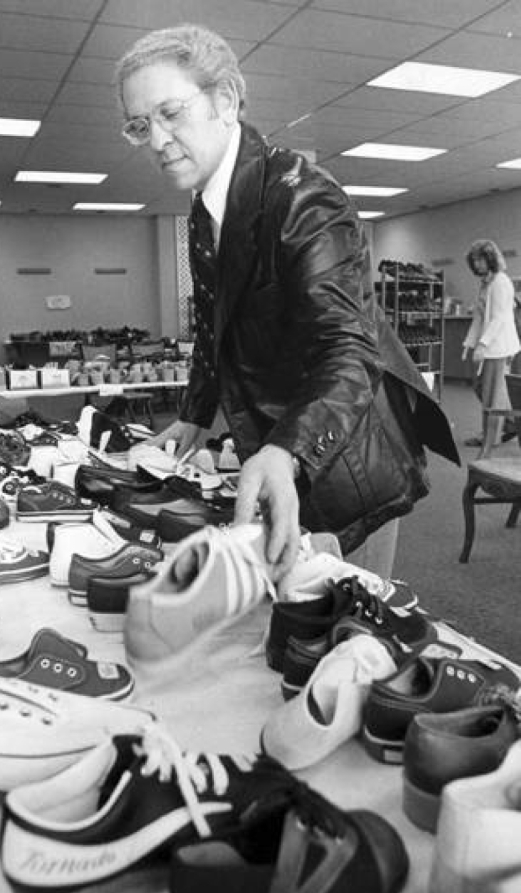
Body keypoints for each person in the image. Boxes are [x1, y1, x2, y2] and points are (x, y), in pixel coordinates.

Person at [115, 23, 459, 581]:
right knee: (286, 622)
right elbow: (214, 322)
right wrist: (194, 415)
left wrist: (288, 450)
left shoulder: (305, 197)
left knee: (344, 625)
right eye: (139, 125)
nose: (156, 139)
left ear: (225, 101)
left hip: (347, 457)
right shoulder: (204, 210)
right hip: (278, 440)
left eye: (170, 113)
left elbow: (350, 351)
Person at [462, 239, 520, 447]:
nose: (477, 264)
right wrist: (469, 342)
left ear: (491, 259)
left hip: (499, 347)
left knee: (491, 393)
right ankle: (512, 423)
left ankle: (490, 438)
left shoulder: (501, 282)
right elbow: (479, 317)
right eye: (474, 260)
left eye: (481, 259)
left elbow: (500, 318)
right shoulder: (486, 283)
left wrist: (483, 345)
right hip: (490, 346)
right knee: (483, 387)